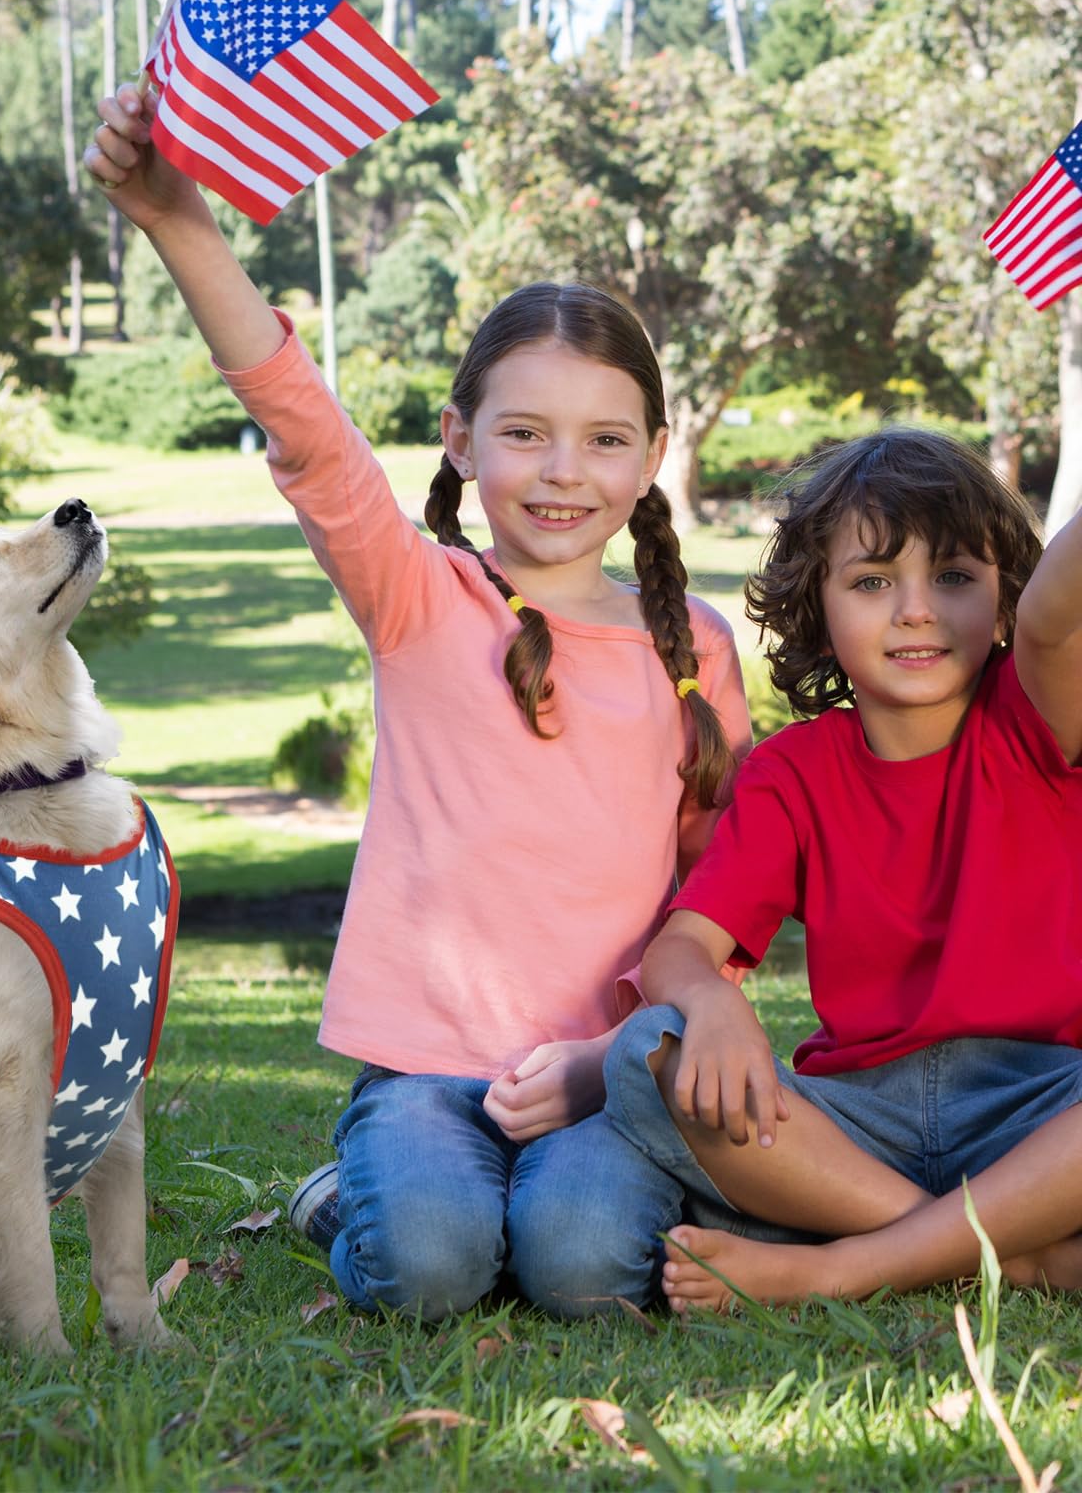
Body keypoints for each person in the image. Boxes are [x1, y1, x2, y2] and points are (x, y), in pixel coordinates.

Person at [83, 82, 752, 1319]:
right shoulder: (419, 599)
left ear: (652, 454)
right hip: (424, 1072)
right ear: (458, 437)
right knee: (432, 1270)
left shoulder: (692, 644)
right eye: (525, 433)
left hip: (603, 1072)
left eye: (606, 440)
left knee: (584, 1271)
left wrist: (613, 1063)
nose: (563, 471)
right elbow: (305, 428)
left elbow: (723, 898)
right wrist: (180, 222)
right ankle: (350, 1191)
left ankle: (553, 1189)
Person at [599, 429, 1082, 1310]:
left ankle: (846, 1264)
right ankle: (1016, 1257)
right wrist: (709, 1002)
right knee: (644, 1052)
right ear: (816, 607)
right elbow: (682, 948)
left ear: (1006, 598)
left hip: (1040, 1105)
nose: (916, 611)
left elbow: (1060, 613)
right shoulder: (794, 772)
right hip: (863, 1118)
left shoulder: (1035, 720)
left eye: (955, 577)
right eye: (871, 582)